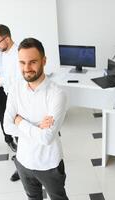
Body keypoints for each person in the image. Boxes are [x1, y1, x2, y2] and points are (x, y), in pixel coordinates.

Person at [4, 38, 69, 200]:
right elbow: (6, 127)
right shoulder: (15, 88)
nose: (27, 68)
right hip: (23, 161)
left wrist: (19, 121)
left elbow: (47, 138)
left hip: (49, 164)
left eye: (32, 62)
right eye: (22, 63)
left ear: (44, 61)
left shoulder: (57, 94)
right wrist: (37, 126)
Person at [0, 24, 21, 182]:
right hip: (9, 95)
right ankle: (21, 160)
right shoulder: (4, 53)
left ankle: (22, 169)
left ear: (7, 39)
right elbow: (5, 74)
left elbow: (18, 79)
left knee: (20, 132)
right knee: (15, 131)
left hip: (19, 98)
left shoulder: (18, 54)